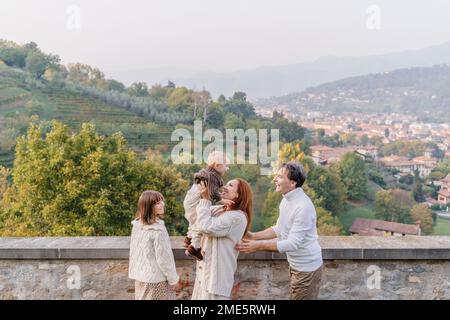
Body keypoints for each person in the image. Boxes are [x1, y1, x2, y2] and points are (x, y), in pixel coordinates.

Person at [236, 162, 323, 300]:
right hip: (296, 265)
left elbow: (292, 244)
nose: (275, 179)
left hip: (307, 268)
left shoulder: (303, 206)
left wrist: (258, 246)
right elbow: (280, 229)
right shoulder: (286, 200)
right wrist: (253, 236)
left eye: (280, 176)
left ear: (293, 182)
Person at [188, 178, 253, 300]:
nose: (224, 186)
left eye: (230, 185)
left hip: (216, 281)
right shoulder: (218, 209)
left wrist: (206, 199)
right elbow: (193, 214)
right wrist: (203, 187)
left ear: (239, 194)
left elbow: (207, 227)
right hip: (203, 277)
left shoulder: (237, 217)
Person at [128, 190, 181, 300]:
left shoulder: (137, 225)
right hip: (157, 281)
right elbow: (164, 259)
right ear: (148, 206)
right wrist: (173, 280)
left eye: (162, 201)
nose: (162, 204)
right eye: (157, 203)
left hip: (140, 279)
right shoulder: (158, 230)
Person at [183, 151, 230, 260]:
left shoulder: (205, 173)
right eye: (225, 165)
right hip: (196, 201)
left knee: (193, 220)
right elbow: (213, 193)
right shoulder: (213, 176)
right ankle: (194, 247)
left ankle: (188, 239)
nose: (227, 168)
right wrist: (223, 201)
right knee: (199, 222)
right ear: (217, 165)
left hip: (189, 199)